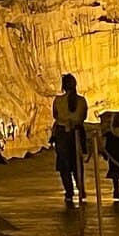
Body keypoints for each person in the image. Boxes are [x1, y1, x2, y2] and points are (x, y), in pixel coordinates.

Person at [50, 74, 89, 203]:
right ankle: (80, 187)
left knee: (64, 165)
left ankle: (69, 192)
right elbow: (83, 116)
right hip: (76, 133)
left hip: (62, 135)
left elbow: (55, 115)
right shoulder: (82, 101)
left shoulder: (58, 101)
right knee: (77, 163)